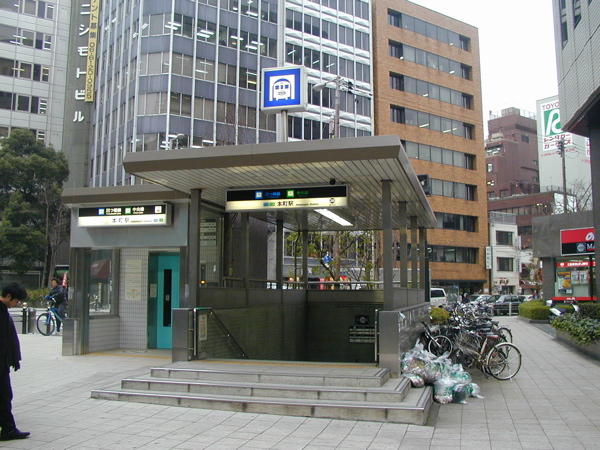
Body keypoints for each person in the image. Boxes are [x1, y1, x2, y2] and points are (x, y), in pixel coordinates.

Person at [0, 282, 30, 441]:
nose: (16, 304)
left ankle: (8, 429)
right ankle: (8, 429)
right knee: (4, 397)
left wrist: (14, 359)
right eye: (16, 301)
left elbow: (10, 338)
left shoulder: (4, 311)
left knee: (5, 396)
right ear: (8, 296)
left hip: (3, 362)